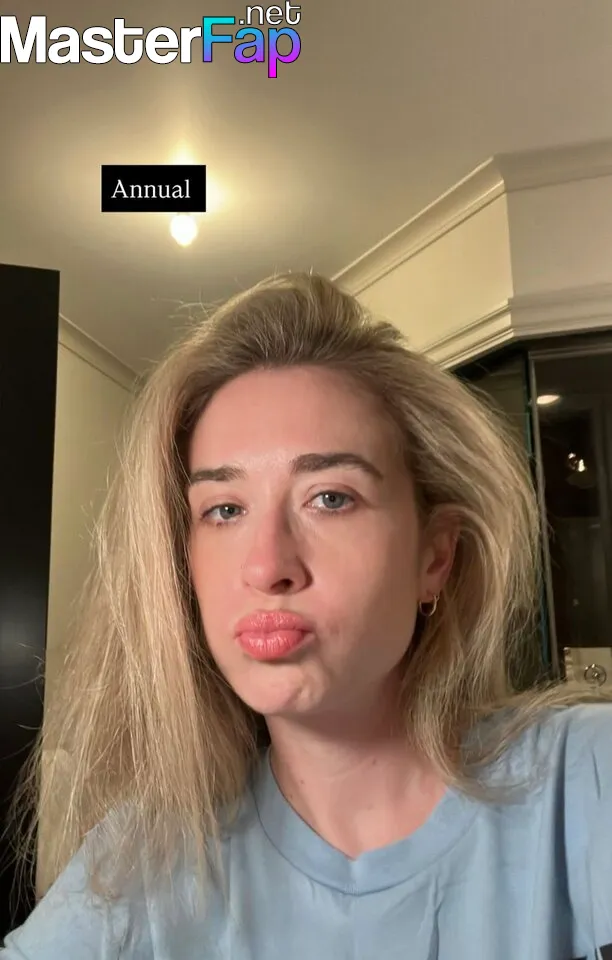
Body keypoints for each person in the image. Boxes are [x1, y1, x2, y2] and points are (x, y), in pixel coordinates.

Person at [1, 272, 611, 960]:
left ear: (435, 556)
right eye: (224, 509)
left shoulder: (586, 780)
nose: (267, 567)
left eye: (330, 498)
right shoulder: (139, 866)